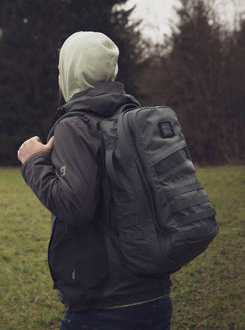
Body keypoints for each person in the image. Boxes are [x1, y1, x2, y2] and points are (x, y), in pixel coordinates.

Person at [17, 32, 173, 329]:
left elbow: (76, 206)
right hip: (155, 297)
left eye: (61, 71)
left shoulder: (75, 125)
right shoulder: (133, 117)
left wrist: (33, 160)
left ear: (73, 73)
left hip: (106, 305)